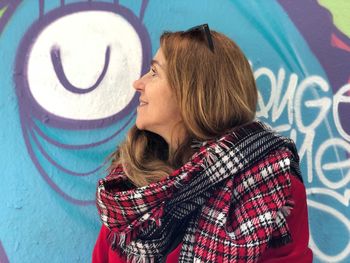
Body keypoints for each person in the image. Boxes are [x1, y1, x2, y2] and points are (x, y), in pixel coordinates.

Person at [93, 24, 313, 262]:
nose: (138, 83)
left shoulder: (270, 182)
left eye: (154, 72)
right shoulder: (128, 187)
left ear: (193, 90)